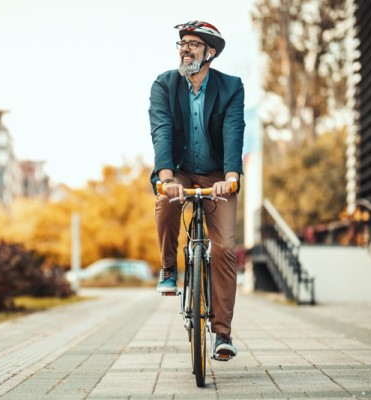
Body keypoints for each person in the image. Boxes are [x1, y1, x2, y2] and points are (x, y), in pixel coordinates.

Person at [149, 20, 245, 361]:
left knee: (223, 249)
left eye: (193, 43)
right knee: (167, 201)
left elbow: (234, 130)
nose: (185, 48)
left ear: (210, 52)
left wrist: (231, 176)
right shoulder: (164, 84)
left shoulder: (231, 87)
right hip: (180, 171)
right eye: (182, 43)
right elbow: (161, 130)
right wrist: (167, 177)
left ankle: (222, 335)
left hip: (218, 174)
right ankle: (168, 268)